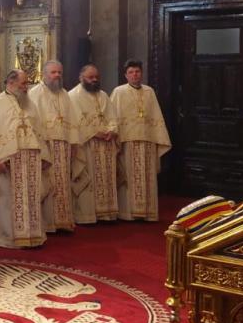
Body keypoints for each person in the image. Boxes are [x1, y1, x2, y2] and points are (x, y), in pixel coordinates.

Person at [0, 69, 50, 249]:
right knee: (5, 199)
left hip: (29, 161)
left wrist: (44, 156)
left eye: (27, 83)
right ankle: (4, 236)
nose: (26, 87)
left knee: (30, 198)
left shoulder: (30, 104)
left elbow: (39, 132)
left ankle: (30, 235)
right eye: (23, 83)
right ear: (11, 83)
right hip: (6, 162)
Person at [109, 59, 171, 221]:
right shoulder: (119, 92)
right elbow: (112, 116)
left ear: (141, 73)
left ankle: (148, 212)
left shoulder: (149, 92)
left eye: (137, 71)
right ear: (125, 75)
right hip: (127, 141)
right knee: (128, 176)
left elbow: (156, 115)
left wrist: (158, 137)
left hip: (148, 139)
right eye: (131, 72)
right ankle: (128, 213)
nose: (134, 75)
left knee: (147, 176)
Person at [28, 60, 80, 233]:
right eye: (53, 72)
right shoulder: (35, 93)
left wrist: (74, 143)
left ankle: (62, 221)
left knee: (62, 183)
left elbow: (72, 120)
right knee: (47, 183)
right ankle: (47, 223)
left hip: (63, 146)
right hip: (46, 146)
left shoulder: (64, 94)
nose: (57, 75)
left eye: (59, 72)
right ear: (44, 74)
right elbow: (32, 122)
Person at [68, 64, 120, 223]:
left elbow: (113, 117)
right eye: (91, 77)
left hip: (106, 145)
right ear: (81, 78)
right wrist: (95, 132)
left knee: (106, 179)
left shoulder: (103, 95)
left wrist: (112, 130)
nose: (94, 80)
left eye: (97, 77)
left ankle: (106, 213)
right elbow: (75, 120)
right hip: (87, 145)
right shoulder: (73, 96)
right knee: (89, 179)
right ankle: (87, 215)